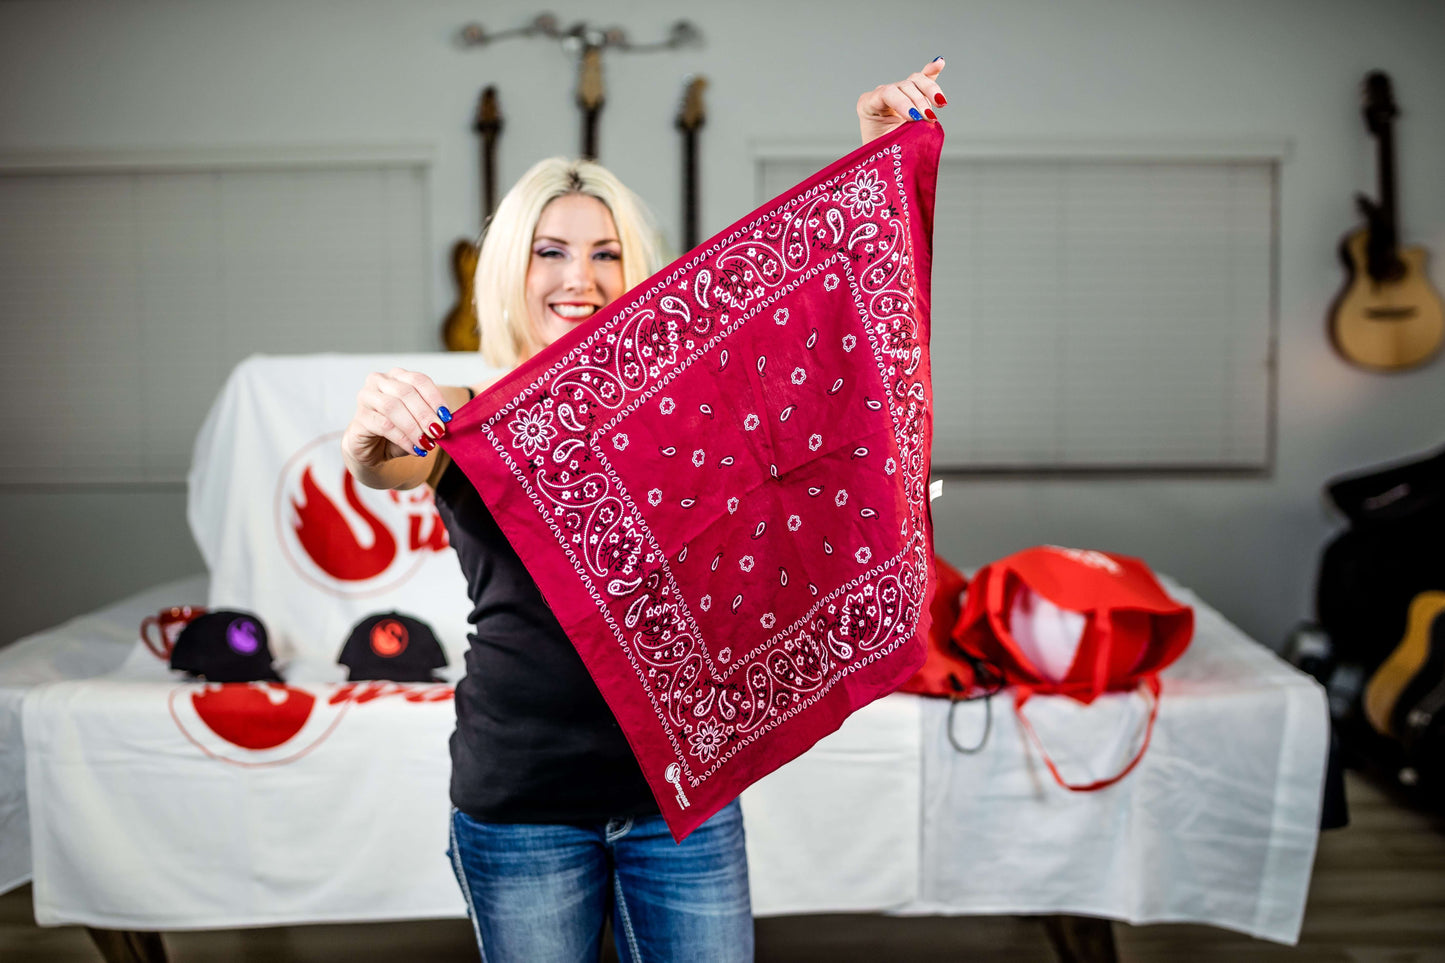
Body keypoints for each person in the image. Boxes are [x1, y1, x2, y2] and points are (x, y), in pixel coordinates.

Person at [340, 58, 948, 963]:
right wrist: (366, 435)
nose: (576, 276)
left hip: (683, 802)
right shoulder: (468, 417)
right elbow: (386, 462)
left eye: (605, 250)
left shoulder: (693, 404)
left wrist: (876, 161)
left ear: (637, 266)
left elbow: (822, 347)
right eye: (550, 250)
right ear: (511, 265)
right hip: (521, 802)